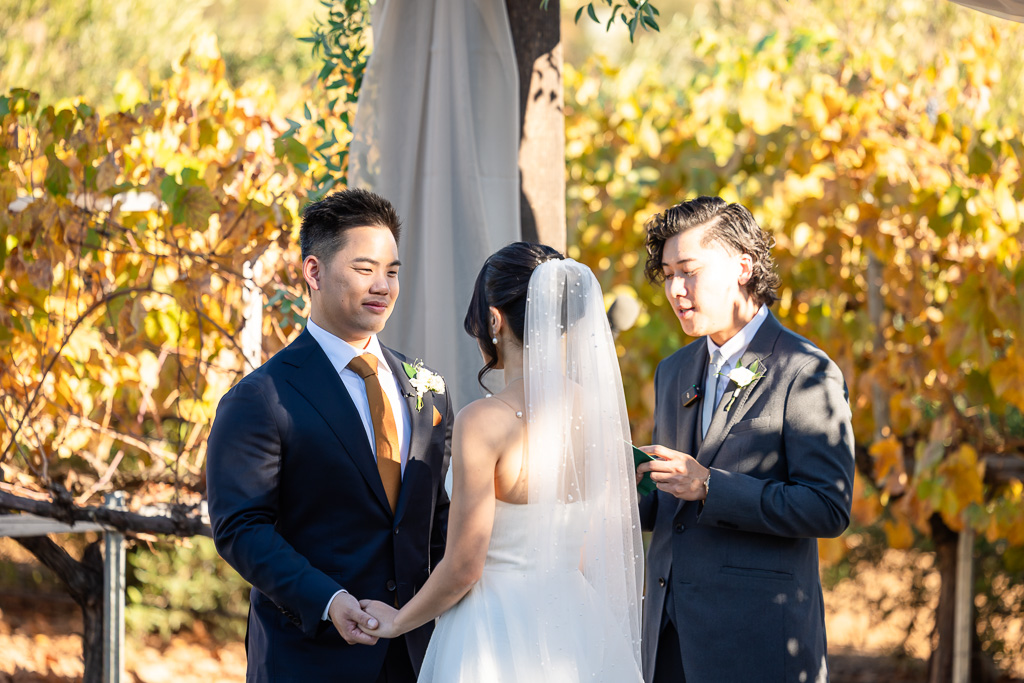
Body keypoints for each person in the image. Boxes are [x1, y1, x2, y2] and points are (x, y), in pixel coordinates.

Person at [360, 242, 645, 682]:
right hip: (576, 622)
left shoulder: (485, 421)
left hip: (493, 630)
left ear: (493, 319)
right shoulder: (597, 414)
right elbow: (591, 550)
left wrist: (398, 621)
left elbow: (464, 566)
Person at [206, 188, 453, 683]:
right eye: (365, 269)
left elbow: (437, 521)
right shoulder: (260, 398)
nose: (382, 285)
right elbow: (241, 527)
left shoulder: (428, 388)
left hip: (419, 654)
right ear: (314, 272)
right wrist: (328, 599)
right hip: (311, 656)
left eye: (392, 271)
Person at [636, 196, 855, 683]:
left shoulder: (805, 370)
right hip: (668, 635)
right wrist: (630, 482)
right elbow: (671, 509)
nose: (675, 289)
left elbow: (828, 507)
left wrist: (711, 486)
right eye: (668, 274)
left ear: (743, 266)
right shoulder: (673, 372)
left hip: (756, 640)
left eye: (689, 271)